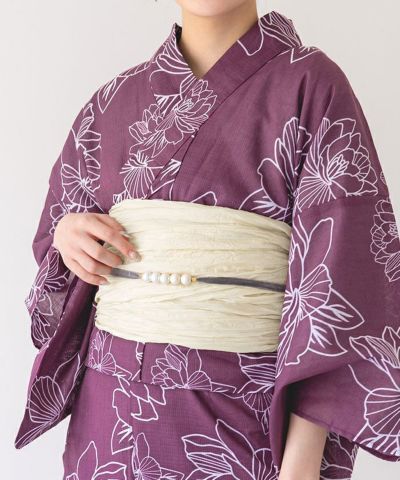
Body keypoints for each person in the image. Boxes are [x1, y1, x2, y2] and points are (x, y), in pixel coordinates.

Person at [14, 1, 400, 479]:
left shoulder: (312, 85)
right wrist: (68, 238)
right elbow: (57, 253)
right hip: (108, 420)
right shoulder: (112, 102)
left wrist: (301, 464)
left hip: (242, 421)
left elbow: (343, 280)